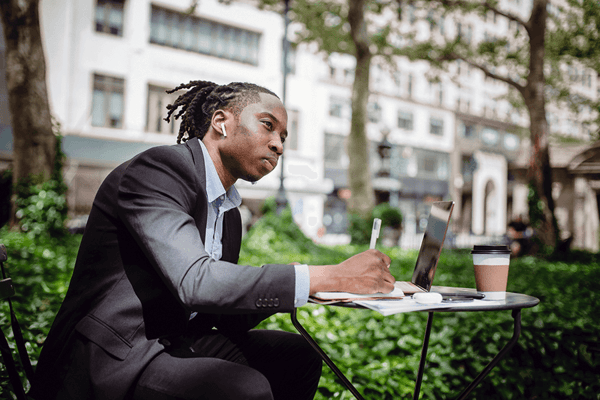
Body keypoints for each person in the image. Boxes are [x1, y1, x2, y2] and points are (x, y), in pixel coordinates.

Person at [31, 81, 395, 400]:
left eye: (283, 138)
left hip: (178, 338)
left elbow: (223, 315)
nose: (278, 145)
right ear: (221, 122)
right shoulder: (160, 171)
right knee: (241, 388)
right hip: (117, 353)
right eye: (268, 126)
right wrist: (326, 275)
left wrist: (307, 282)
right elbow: (196, 281)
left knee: (297, 356)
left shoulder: (230, 213)